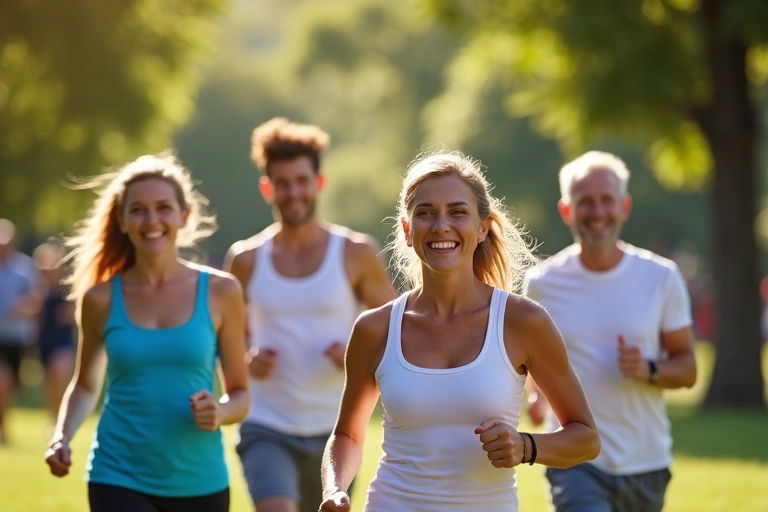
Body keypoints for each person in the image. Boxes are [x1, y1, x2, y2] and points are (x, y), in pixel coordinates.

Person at [319, 152, 600, 512]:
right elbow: (348, 435)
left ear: (482, 227)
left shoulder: (523, 322)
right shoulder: (374, 329)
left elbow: (586, 437)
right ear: (407, 230)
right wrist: (335, 488)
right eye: (425, 213)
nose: (440, 226)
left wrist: (527, 446)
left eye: (457, 212)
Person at [44, 153, 249, 512]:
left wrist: (218, 412)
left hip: (201, 480)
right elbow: (86, 384)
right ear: (122, 221)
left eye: (163, 208)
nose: (151, 220)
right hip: (117, 475)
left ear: (184, 216)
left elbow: (241, 394)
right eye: (138, 210)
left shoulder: (222, 291)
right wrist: (61, 437)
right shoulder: (100, 298)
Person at [223, 117, 396, 512]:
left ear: (319, 182)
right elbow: (224, 334)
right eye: (282, 183)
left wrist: (358, 353)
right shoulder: (246, 259)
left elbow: (397, 326)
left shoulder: (355, 253)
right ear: (267, 188)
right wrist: (247, 357)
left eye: (302, 180)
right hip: (266, 423)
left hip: (338, 430)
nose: (293, 192)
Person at [523, 151, 698, 512]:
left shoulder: (661, 277)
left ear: (624, 207)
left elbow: (688, 369)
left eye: (607, 201)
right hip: (575, 460)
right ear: (567, 210)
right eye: (585, 202)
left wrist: (648, 369)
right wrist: (537, 396)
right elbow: (535, 362)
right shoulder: (542, 284)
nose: (598, 212)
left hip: (645, 463)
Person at [0, 218, 42, 444]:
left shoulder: (24, 268)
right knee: (2, 379)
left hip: (18, 337)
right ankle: (2, 429)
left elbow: (37, 299)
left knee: (12, 384)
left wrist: (22, 308)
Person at [33, 242, 77, 426]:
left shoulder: (68, 288)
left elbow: (81, 311)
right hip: (44, 341)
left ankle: (63, 418)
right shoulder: (38, 289)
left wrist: (71, 314)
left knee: (58, 371)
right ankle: (55, 419)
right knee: (50, 382)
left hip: (64, 341)